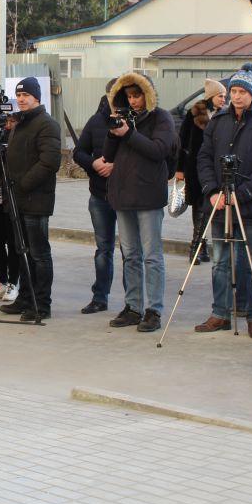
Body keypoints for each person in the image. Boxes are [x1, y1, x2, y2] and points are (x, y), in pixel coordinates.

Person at [193, 66, 252, 340]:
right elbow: (204, 157)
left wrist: (241, 194)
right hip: (219, 203)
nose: (237, 96)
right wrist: (212, 191)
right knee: (220, 262)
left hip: (250, 205)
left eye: (242, 91)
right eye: (233, 91)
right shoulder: (219, 120)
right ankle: (220, 313)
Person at [102, 73, 176, 334]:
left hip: (148, 195)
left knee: (152, 256)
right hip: (123, 195)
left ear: (148, 94)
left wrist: (129, 133)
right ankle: (133, 306)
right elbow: (108, 156)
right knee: (130, 255)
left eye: (137, 95)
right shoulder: (124, 118)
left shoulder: (161, 118)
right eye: (129, 96)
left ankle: (154, 310)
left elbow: (159, 150)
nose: (133, 101)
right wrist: (113, 132)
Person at [0, 78, 61, 322]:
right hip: (17, 200)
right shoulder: (19, 124)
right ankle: (25, 298)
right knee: (22, 252)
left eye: (26, 95)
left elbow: (50, 161)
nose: (21, 99)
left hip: (36, 199)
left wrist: (24, 184)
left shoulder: (47, 124)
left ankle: (41, 304)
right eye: (19, 95)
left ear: (37, 97)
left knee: (39, 254)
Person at [73, 79, 119, 313]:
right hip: (100, 195)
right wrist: (93, 163)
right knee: (103, 249)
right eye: (113, 93)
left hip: (127, 196)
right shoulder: (96, 121)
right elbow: (78, 152)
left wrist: (116, 166)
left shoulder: (134, 121)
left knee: (132, 251)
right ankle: (100, 297)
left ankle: (134, 303)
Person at [176, 78, 226, 264]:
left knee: (208, 208)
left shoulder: (224, 114)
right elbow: (182, 141)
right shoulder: (194, 113)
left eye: (224, 96)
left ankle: (201, 247)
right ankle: (195, 248)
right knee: (199, 207)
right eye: (220, 96)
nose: (224, 99)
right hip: (194, 167)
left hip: (216, 169)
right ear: (211, 96)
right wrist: (179, 169)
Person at [0, 105, 22, 302]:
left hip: (12, 197)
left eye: (12, 121)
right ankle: (2, 280)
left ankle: (13, 283)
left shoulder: (20, 139)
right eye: (5, 121)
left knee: (14, 242)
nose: (8, 126)